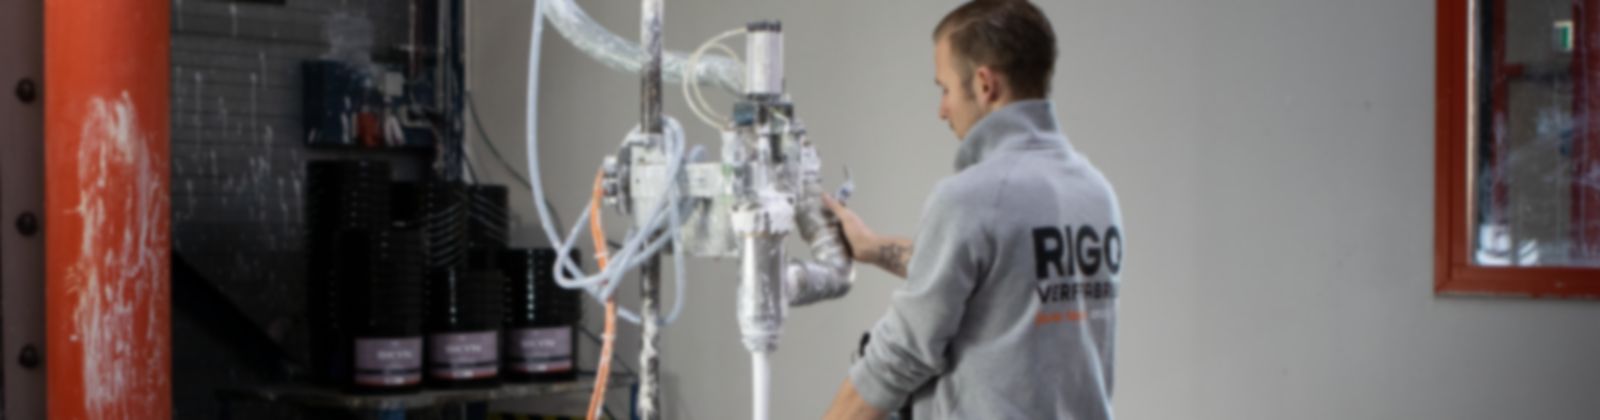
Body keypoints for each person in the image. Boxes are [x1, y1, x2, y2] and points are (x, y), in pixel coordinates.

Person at [821, 1, 1124, 419]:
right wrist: (872, 248)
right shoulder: (1096, 192)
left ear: (985, 84)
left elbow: (900, 355)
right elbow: (1002, 278)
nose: (942, 109)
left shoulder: (972, 198)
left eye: (944, 89)